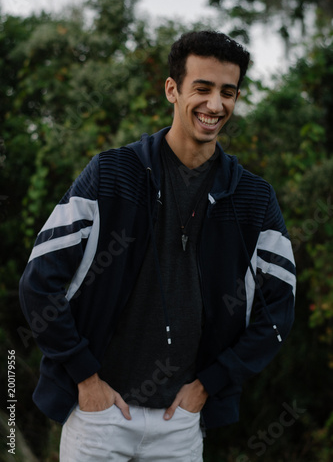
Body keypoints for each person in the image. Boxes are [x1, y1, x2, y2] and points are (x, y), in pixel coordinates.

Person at [19, 30, 296, 461]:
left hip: (181, 422)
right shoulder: (113, 173)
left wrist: (211, 382)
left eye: (228, 92)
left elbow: (279, 311)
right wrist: (85, 377)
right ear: (172, 89)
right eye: (201, 89)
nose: (215, 105)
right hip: (99, 416)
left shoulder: (254, 200)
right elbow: (38, 282)